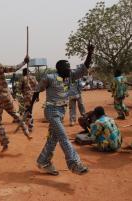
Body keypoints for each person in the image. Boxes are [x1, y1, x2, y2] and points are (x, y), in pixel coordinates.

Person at [32, 43, 94, 175]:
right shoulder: (50, 77)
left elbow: (84, 68)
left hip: (61, 111)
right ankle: (74, 164)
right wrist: (29, 107)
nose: (70, 68)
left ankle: (43, 161)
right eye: (67, 67)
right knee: (63, 136)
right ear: (59, 69)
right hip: (51, 111)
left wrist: (90, 52)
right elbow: (37, 90)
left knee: (53, 139)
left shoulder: (70, 76)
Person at [18, 68, 38, 132]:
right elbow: (38, 87)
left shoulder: (23, 78)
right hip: (33, 96)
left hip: (27, 97)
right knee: (29, 110)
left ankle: (30, 126)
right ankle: (29, 125)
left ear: (24, 72)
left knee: (28, 111)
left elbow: (19, 88)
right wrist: (37, 96)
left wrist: (21, 94)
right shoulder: (34, 78)